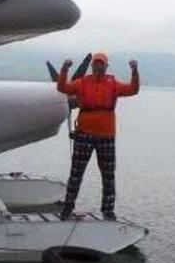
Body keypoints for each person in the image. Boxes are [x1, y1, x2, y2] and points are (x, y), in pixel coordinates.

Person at [57, 52, 139, 220]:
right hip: (84, 134)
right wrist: (65, 69)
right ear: (92, 65)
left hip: (106, 135)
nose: (98, 66)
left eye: (101, 63)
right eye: (96, 63)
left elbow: (133, 89)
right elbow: (62, 88)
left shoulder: (113, 84)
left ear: (106, 66)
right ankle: (67, 207)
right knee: (76, 173)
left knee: (108, 175)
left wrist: (134, 71)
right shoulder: (81, 83)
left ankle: (108, 210)